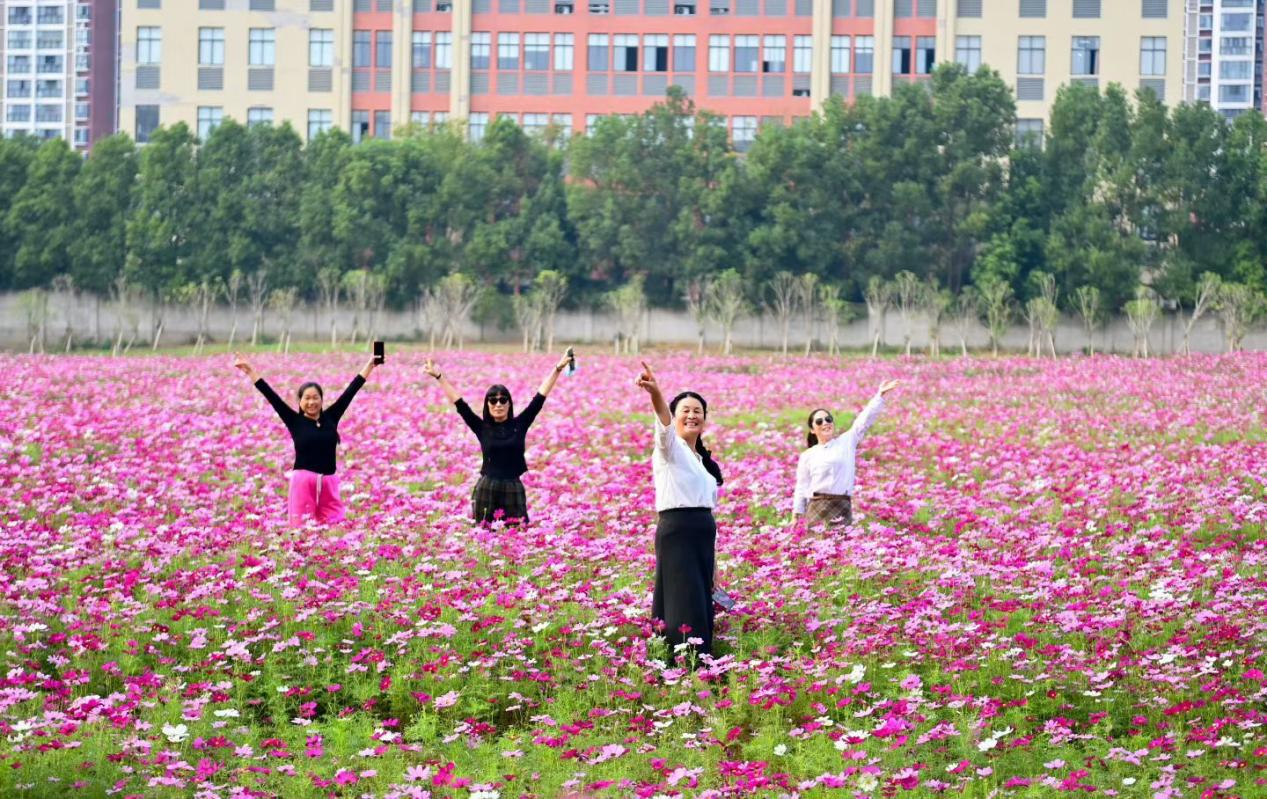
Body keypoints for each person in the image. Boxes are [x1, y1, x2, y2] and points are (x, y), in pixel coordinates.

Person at [635, 360, 724, 664]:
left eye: (698, 411)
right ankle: (685, 664)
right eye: (685, 410)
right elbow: (662, 424)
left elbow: (711, 511)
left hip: (701, 535)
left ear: (705, 420)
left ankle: (700, 661)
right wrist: (656, 394)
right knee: (682, 601)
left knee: (700, 602)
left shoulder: (704, 464)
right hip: (678, 531)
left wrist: (715, 563)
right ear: (675, 417)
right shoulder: (670, 449)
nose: (692, 415)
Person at [423, 353, 571, 525]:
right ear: (487, 405)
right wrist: (439, 377)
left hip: (513, 489)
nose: (498, 404)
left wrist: (558, 369)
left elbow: (540, 397)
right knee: (485, 535)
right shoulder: (481, 427)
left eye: (502, 400)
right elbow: (459, 403)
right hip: (487, 489)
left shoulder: (520, 424)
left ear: (509, 404)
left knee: (517, 536)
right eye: (493, 401)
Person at [234, 352, 379, 526]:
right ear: (300, 401)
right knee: (302, 527)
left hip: (329, 482)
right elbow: (271, 396)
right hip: (304, 482)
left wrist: (370, 364)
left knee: (336, 524)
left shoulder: (331, 417)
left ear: (322, 400)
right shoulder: (294, 420)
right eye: (307, 398)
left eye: (315, 397)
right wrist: (250, 371)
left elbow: (351, 390)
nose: (311, 402)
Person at [792, 379, 900, 527]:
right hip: (816, 508)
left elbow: (864, 420)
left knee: (841, 547)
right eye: (819, 421)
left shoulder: (846, 442)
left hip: (841, 505)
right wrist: (796, 514)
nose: (825, 423)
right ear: (812, 429)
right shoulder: (807, 455)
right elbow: (802, 486)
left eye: (828, 419)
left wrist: (879, 396)